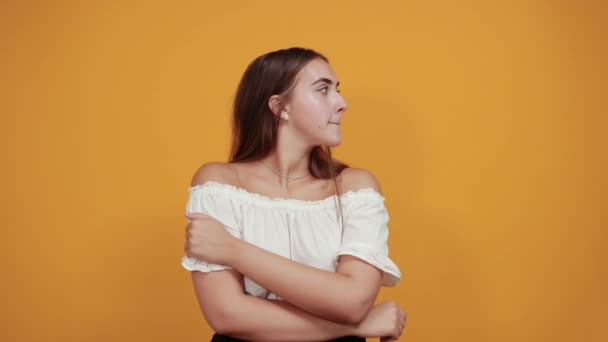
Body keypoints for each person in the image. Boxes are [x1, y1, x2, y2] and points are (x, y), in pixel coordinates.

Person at [181, 47, 407, 341]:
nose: (342, 103)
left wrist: (231, 249)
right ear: (279, 107)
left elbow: (352, 302)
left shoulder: (355, 188)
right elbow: (226, 314)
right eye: (322, 90)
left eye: (336, 90)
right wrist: (358, 327)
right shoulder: (219, 184)